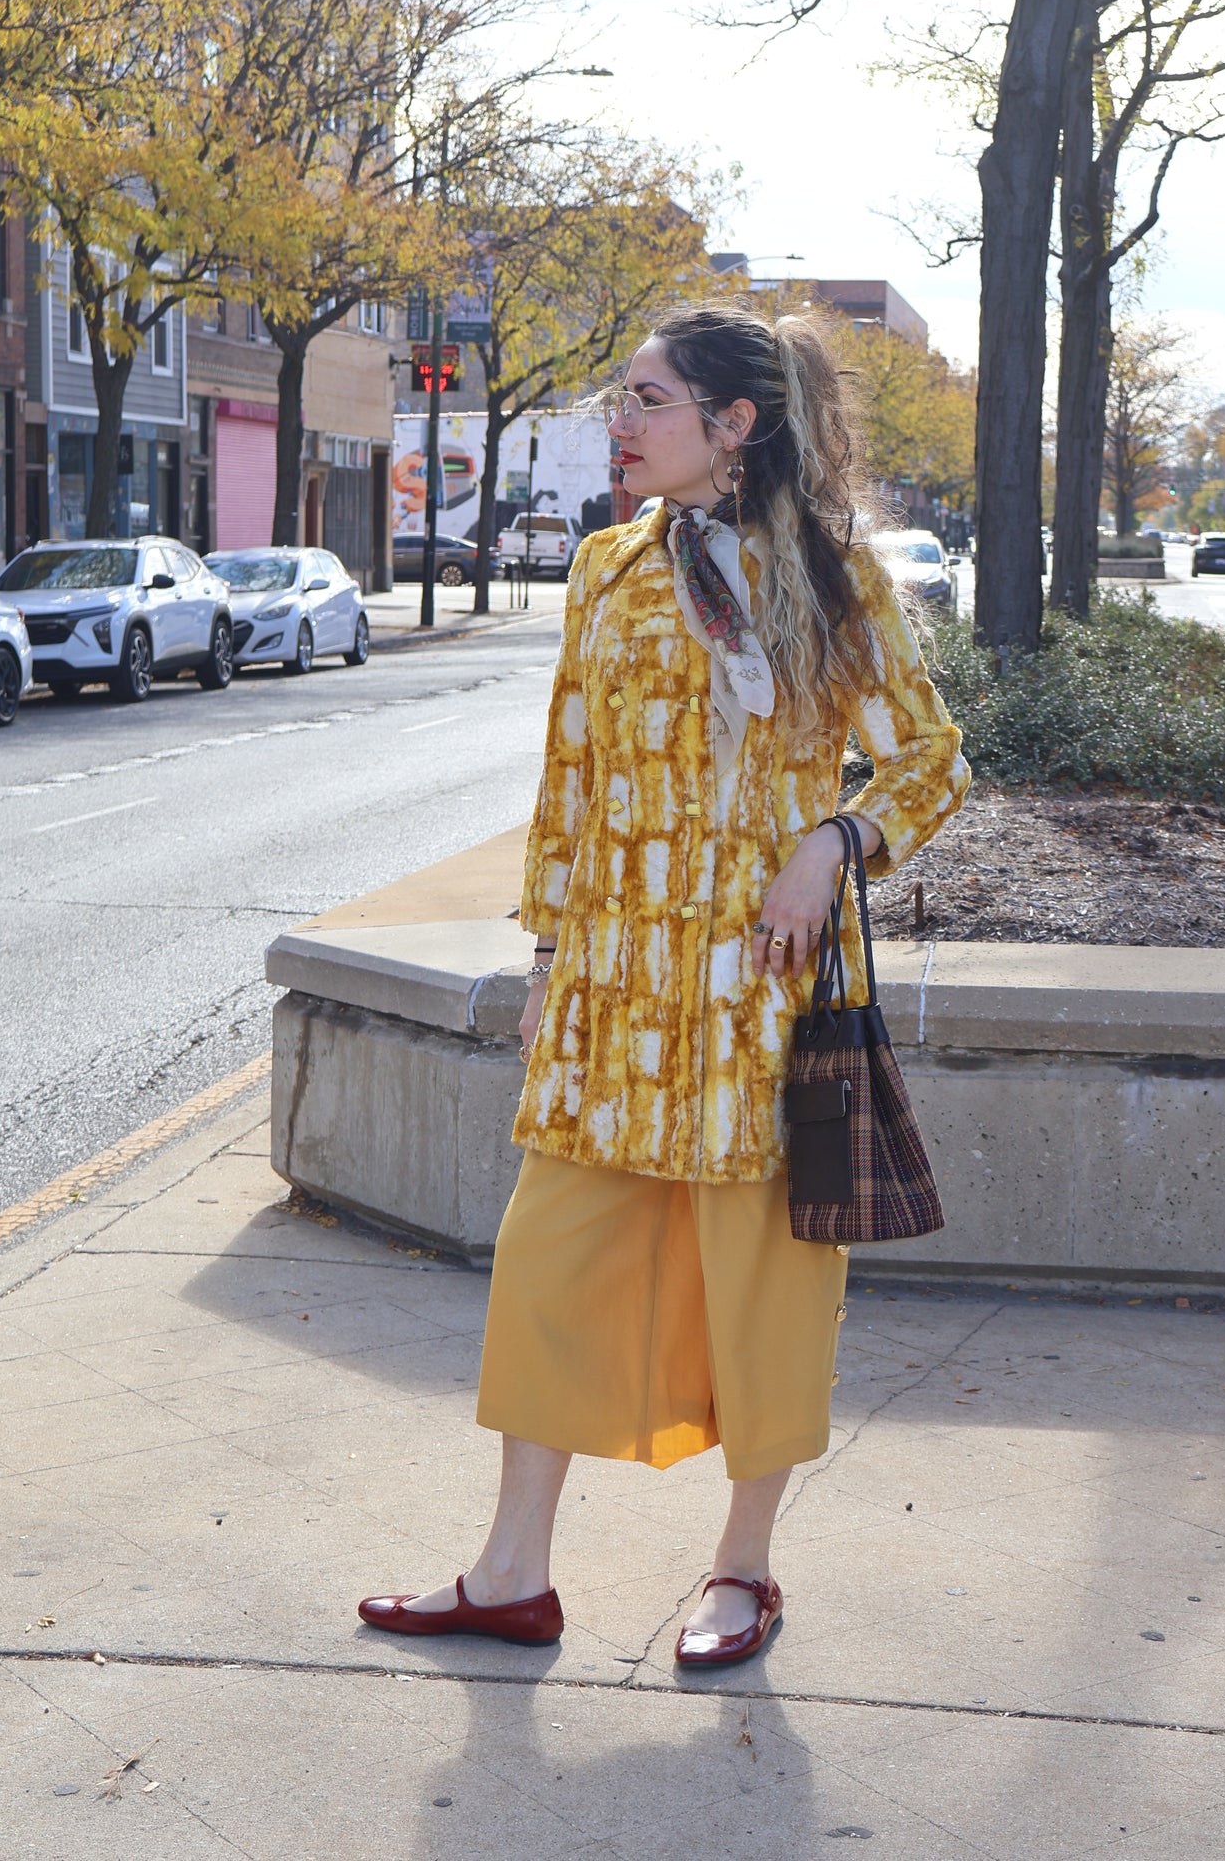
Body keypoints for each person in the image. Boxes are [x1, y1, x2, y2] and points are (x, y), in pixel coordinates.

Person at [359, 304, 969, 1667]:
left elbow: (930, 768)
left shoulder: (832, 578)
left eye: (645, 400)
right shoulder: (606, 568)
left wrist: (829, 844)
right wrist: (544, 958)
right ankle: (510, 1571)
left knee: (761, 1284)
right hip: (614, 996)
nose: (618, 426)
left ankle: (742, 1570)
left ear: (733, 426)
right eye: (619, 399)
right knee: (545, 1267)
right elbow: (567, 778)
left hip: (762, 996)